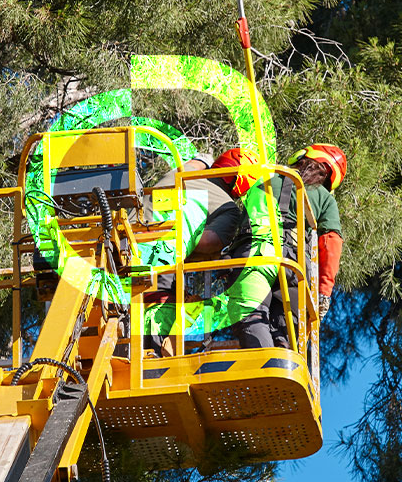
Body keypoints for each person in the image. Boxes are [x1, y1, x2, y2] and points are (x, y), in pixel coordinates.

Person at [214, 143, 345, 349]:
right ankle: (279, 367)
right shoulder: (324, 197)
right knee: (285, 333)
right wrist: (324, 292)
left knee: (252, 319)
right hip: (295, 270)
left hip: (254, 257)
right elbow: (331, 242)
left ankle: (265, 365)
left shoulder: (265, 179)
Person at [141, 149, 255, 354]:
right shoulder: (227, 207)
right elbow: (209, 242)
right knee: (161, 306)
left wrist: (202, 160)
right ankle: (155, 350)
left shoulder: (178, 173)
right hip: (161, 258)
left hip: (124, 243)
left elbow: (194, 164)